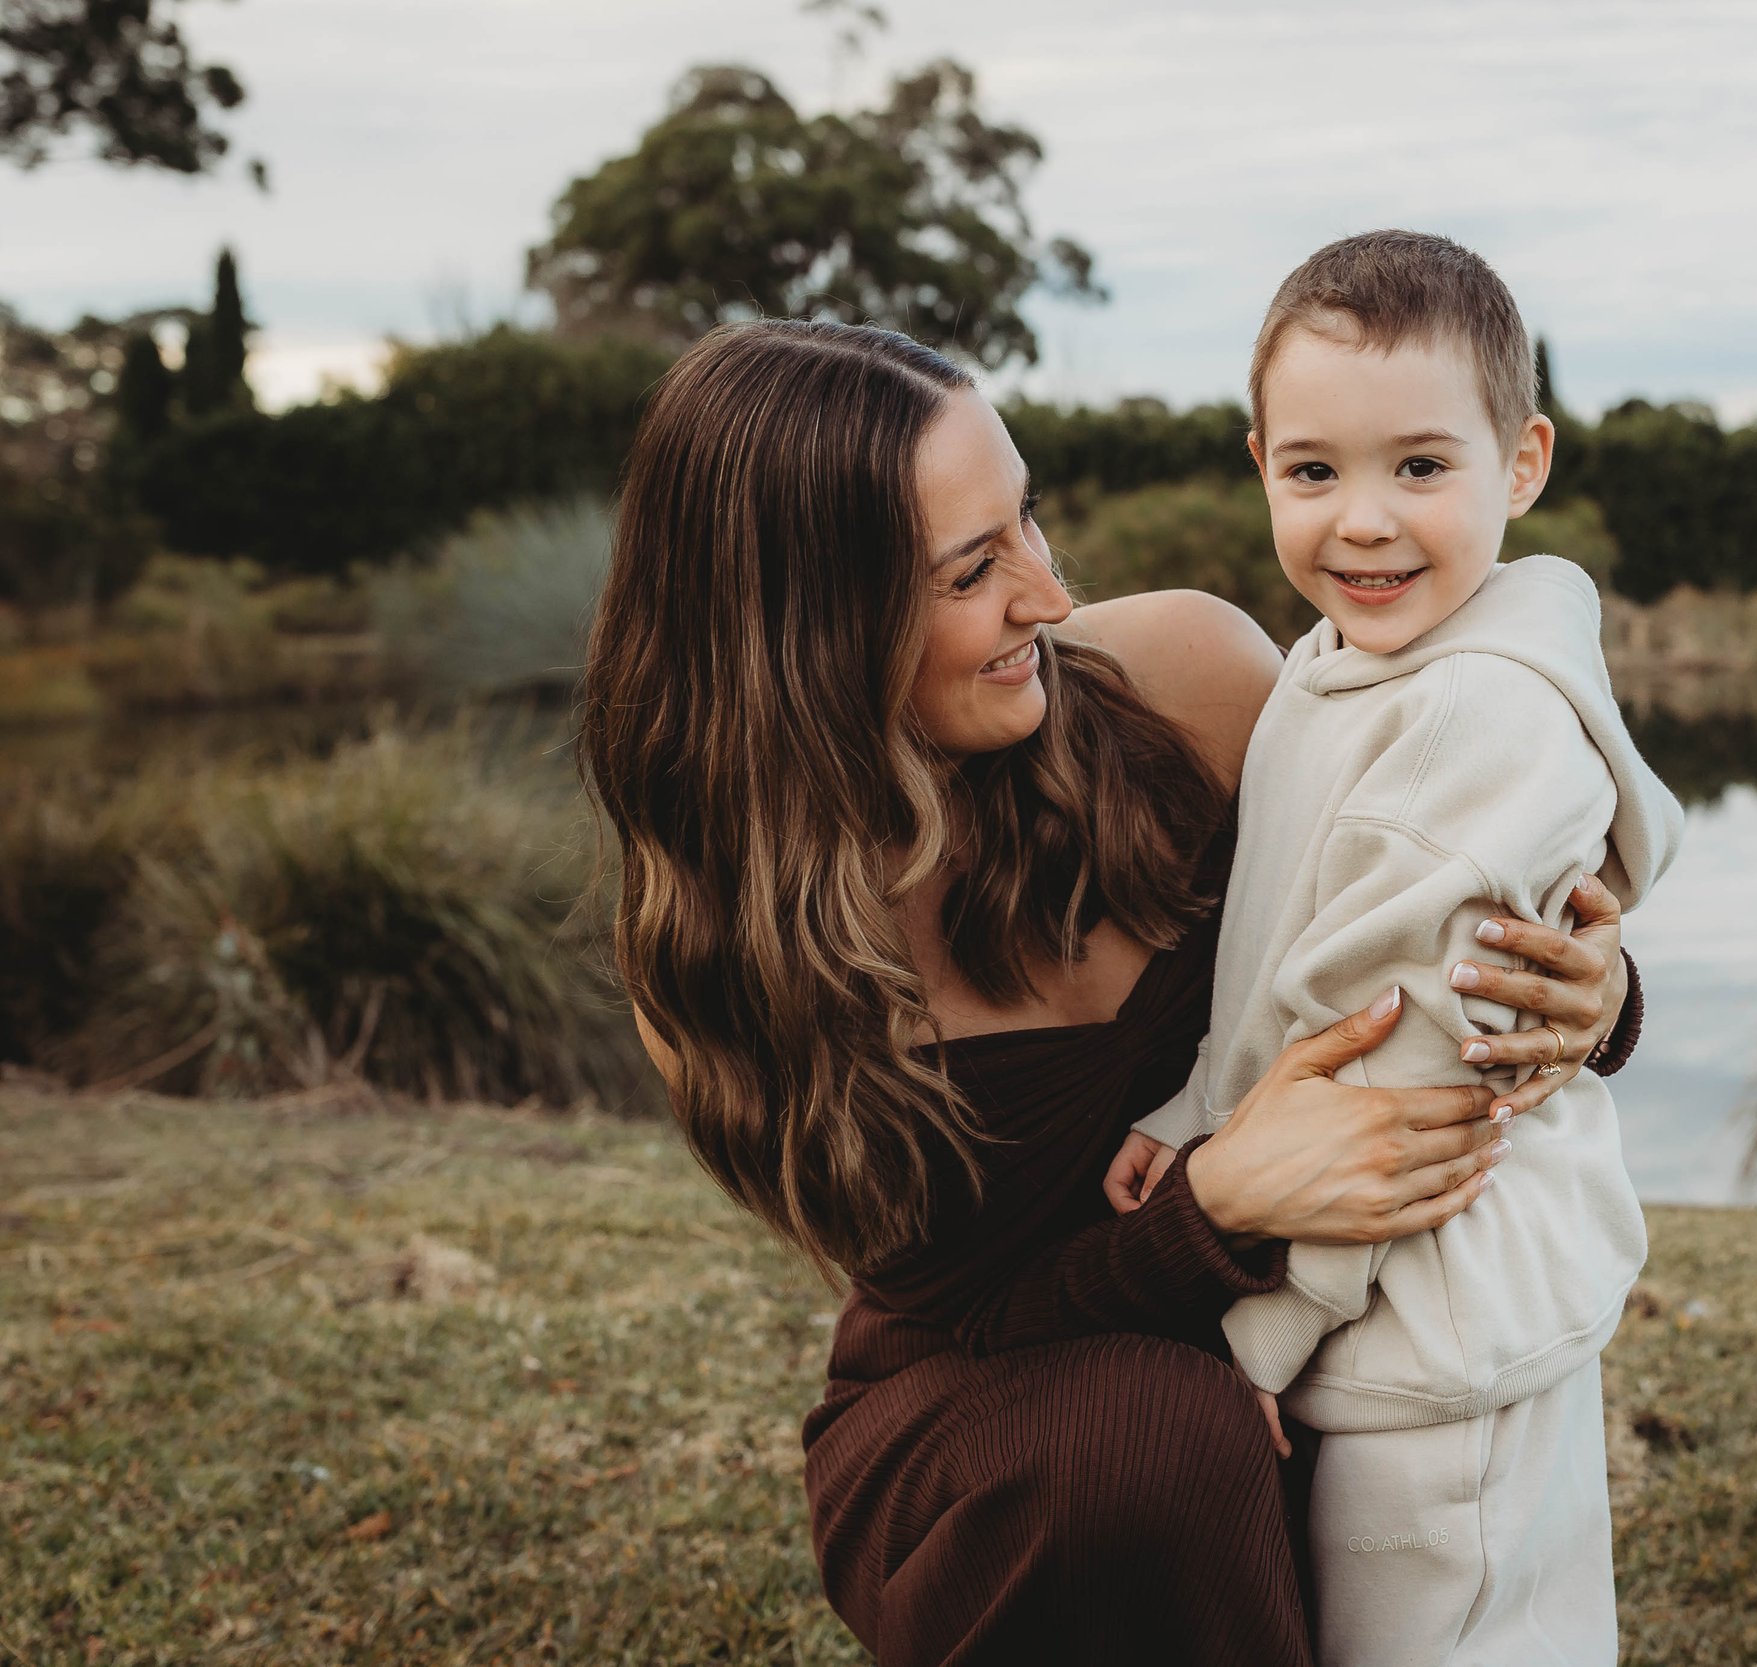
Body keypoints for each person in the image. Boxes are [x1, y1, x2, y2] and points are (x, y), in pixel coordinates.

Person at [573, 316, 1650, 1667]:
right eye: (972, 570)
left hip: (1304, 1332)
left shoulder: (1187, 685)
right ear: (815, 627)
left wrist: (1588, 994)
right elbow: (967, 1310)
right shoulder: (745, 950)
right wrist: (1213, 1211)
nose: (1044, 594)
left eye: (1028, 517)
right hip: (1005, 1418)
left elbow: (1420, 899)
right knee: (1152, 1440)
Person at [1113, 231, 1681, 1666]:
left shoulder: (1481, 718)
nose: (1362, 522)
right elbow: (1292, 960)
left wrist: (1258, 1327)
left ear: (1524, 462)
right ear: (1260, 466)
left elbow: (1410, 1064)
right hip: (1387, 1316)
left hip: (1439, 1325)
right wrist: (1190, 1118)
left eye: (1420, 468)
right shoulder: (1338, 668)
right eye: (1315, 472)